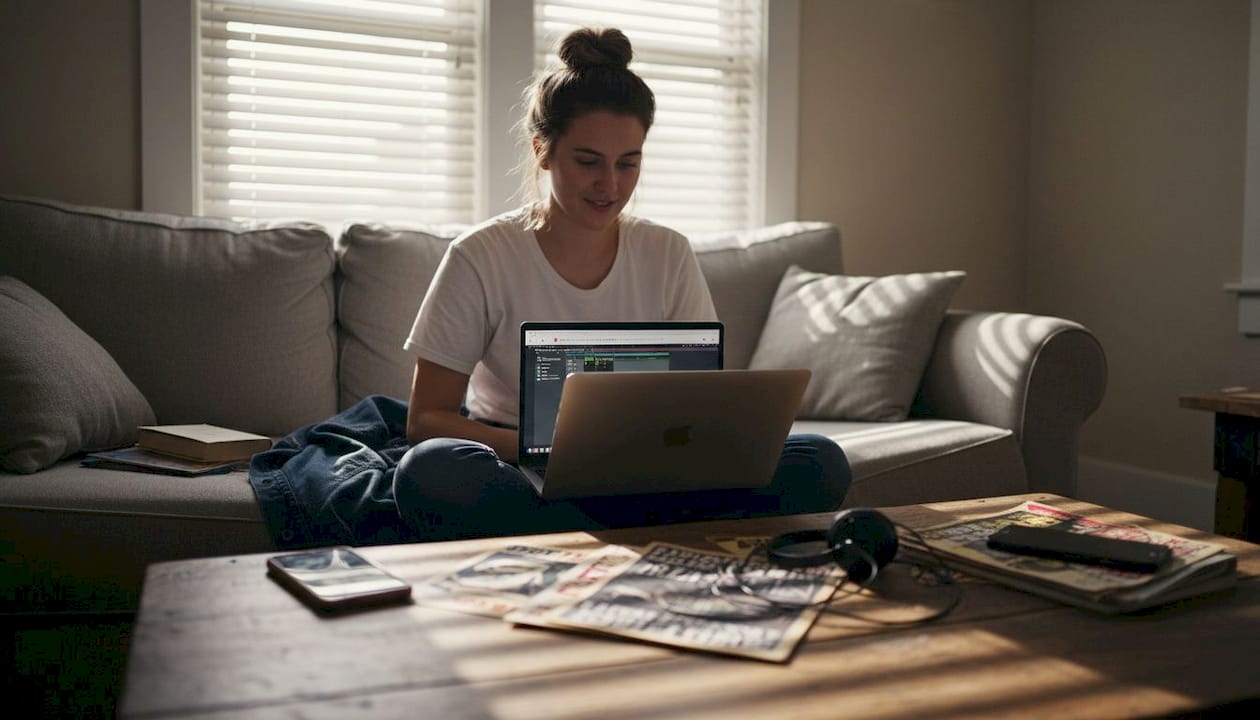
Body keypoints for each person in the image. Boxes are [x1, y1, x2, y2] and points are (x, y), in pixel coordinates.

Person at [395, 27, 850, 541]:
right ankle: (640, 531)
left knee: (820, 459)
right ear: (543, 150)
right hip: (519, 464)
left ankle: (579, 534)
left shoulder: (668, 252)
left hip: (652, 467)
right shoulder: (479, 256)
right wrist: (547, 449)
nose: (609, 185)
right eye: (588, 162)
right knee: (431, 471)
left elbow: (701, 405)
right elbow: (426, 420)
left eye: (628, 163)